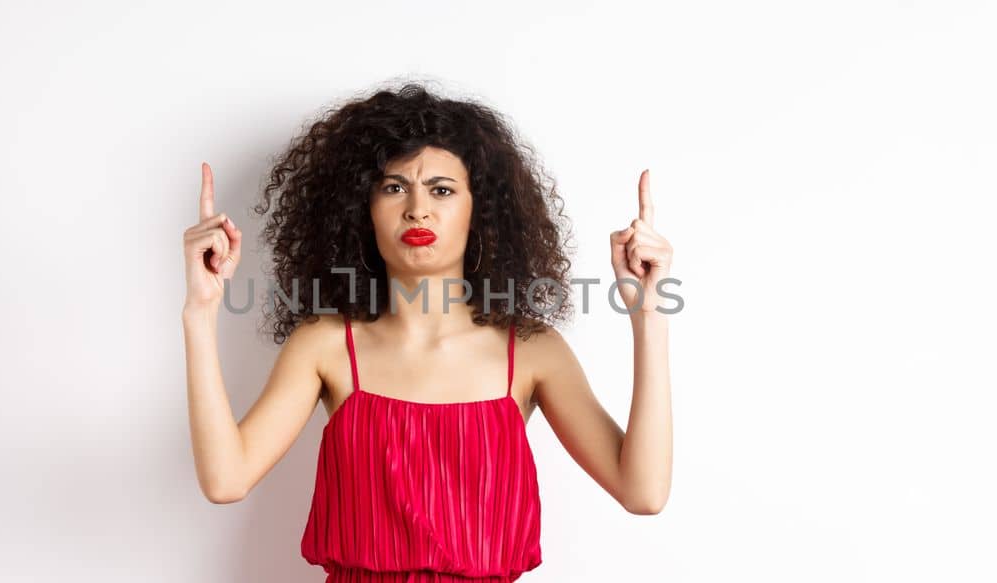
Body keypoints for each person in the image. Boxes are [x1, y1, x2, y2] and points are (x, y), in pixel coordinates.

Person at [182, 82, 674, 582]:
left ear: (477, 210)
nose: (418, 208)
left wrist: (649, 318)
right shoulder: (325, 345)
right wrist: (200, 314)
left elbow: (644, 492)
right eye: (394, 187)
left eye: (442, 189)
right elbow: (226, 480)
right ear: (362, 209)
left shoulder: (530, 351)